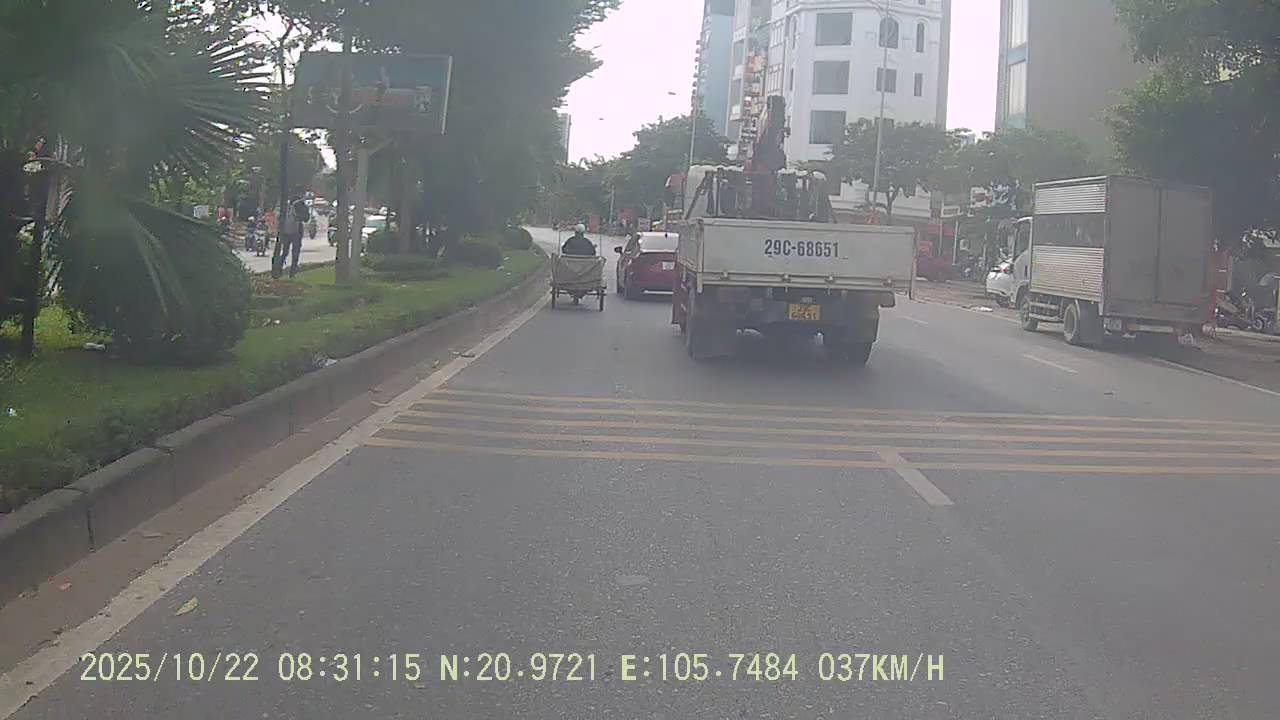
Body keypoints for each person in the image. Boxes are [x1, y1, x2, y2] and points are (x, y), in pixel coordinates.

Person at [275, 188, 311, 278]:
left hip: (285, 231)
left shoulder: (286, 204)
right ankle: (292, 272)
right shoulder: (300, 204)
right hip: (296, 231)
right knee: (295, 253)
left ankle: (279, 270)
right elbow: (306, 218)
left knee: (284, 252)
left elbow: (279, 217)